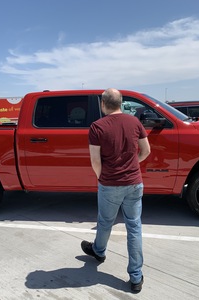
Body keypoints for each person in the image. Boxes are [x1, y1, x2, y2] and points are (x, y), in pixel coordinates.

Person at [81, 88, 151, 293]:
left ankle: (99, 252)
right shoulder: (134, 122)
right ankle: (136, 277)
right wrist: (132, 165)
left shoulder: (97, 126)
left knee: (105, 222)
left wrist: (102, 177)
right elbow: (146, 151)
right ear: (120, 103)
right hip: (134, 183)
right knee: (134, 227)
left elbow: (95, 160)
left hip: (110, 184)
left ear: (103, 103)